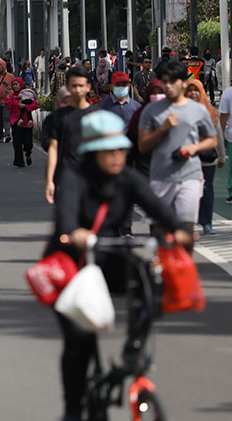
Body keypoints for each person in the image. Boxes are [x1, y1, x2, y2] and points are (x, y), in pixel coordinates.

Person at [48, 110, 192, 421]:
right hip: (74, 264)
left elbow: (156, 207)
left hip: (111, 255)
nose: (116, 156)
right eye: (108, 150)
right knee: (78, 341)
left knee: (148, 279)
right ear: (92, 152)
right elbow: (67, 216)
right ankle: (73, 407)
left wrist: (179, 229)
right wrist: (76, 232)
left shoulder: (128, 178)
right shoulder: (75, 178)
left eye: (120, 149)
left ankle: (134, 349)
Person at [138, 61, 217, 231]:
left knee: (185, 231)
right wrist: (162, 128)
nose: (168, 86)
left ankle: (184, 257)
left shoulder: (198, 110)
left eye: (173, 81)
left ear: (183, 82)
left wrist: (194, 148)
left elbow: (212, 139)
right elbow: (143, 145)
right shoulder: (151, 110)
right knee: (159, 231)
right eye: (164, 81)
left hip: (190, 176)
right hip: (160, 176)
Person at [43, 66, 93, 204]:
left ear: (88, 87)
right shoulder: (56, 118)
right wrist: (49, 181)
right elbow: (53, 148)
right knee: (67, 223)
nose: (78, 90)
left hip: (92, 180)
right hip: (66, 178)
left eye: (81, 86)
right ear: (68, 88)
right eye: (74, 86)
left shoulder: (98, 116)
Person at [185, 79, 226, 235]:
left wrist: (221, 157)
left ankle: (206, 222)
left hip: (207, 159)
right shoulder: (180, 110)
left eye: (196, 90)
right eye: (190, 90)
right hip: (187, 158)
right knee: (188, 191)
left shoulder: (210, 111)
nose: (193, 93)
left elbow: (218, 136)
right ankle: (189, 222)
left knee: (207, 190)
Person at [126, 79, 165, 179]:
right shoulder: (139, 115)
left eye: (160, 92)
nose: (157, 96)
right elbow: (132, 146)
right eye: (153, 93)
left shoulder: (173, 113)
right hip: (144, 169)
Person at [6, 77, 39, 167]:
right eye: (13, 85)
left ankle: (28, 154)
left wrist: (25, 106)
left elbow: (35, 105)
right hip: (16, 122)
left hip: (27, 123)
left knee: (28, 143)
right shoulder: (12, 96)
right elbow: (8, 105)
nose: (15, 86)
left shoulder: (27, 94)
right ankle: (19, 161)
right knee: (17, 143)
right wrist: (8, 96)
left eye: (16, 84)